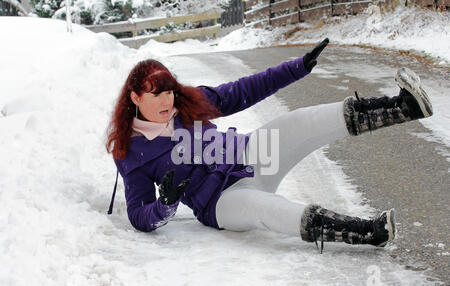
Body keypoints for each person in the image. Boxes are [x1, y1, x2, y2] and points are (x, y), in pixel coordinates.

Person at [106, 38, 433, 253]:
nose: (167, 101)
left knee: (302, 121)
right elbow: (139, 214)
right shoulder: (131, 154)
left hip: (250, 155)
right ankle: (368, 232)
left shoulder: (188, 103)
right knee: (268, 210)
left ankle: (405, 107)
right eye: (156, 94)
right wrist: (164, 204)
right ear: (135, 98)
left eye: (170, 92)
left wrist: (297, 67)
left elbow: (243, 90)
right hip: (221, 203)